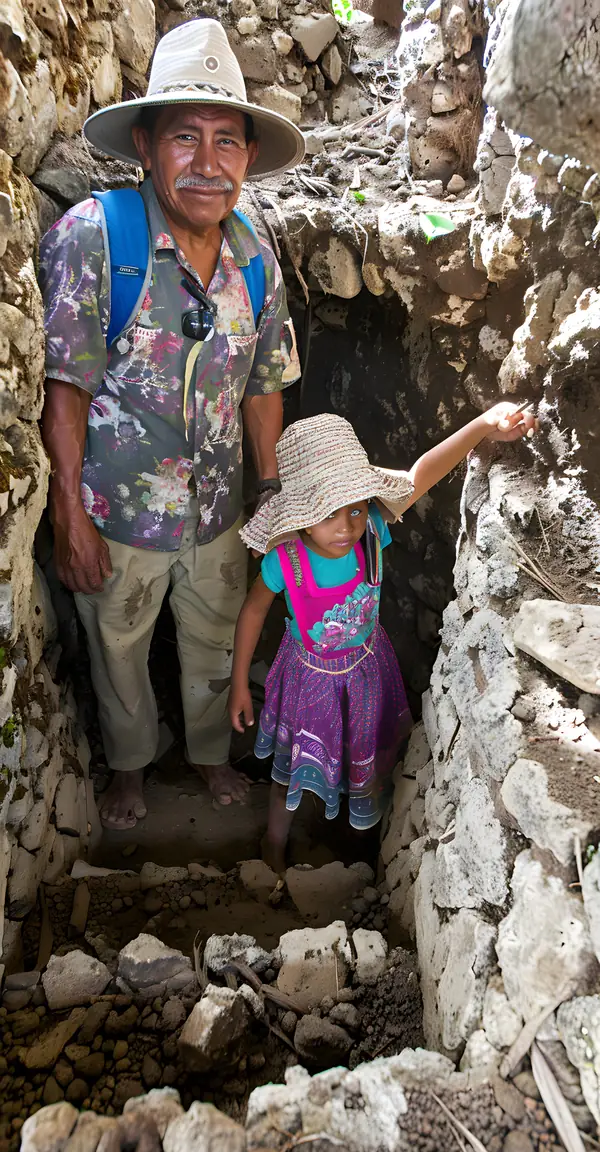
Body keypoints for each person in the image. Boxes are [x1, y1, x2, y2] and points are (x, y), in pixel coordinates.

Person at [38, 19, 304, 829]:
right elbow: (65, 389)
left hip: (220, 509)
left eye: (227, 141)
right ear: (147, 146)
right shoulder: (97, 238)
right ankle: (128, 768)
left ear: (248, 159)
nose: (207, 162)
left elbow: (264, 386)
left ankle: (209, 757)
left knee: (217, 647)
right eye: (185, 137)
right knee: (118, 649)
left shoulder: (256, 264)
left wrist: (268, 491)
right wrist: (69, 513)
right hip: (117, 511)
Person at [229, 405, 537, 873]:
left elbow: (420, 476)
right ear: (300, 515)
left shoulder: (372, 530)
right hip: (308, 684)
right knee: (293, 768)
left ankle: (361, 848)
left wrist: (480, 427)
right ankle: (275, 842)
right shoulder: (284, 560)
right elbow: (252, 612)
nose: (347, 525)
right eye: (329, 513)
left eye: (355, 508)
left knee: (366, 757)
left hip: (368, 672)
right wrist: (237, 683)